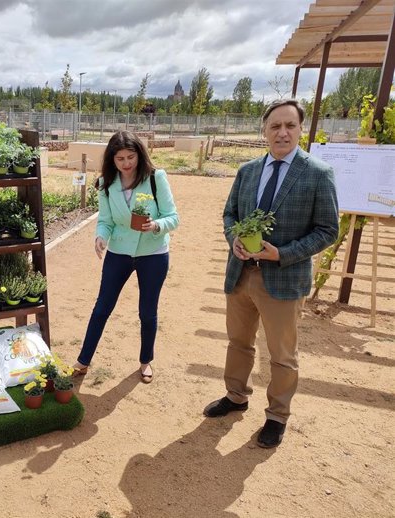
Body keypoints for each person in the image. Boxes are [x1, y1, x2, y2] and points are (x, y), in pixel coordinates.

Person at [203, 99, 339, 448]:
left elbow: (327, 230)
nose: (282, 132)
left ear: (299, 130)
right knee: (238, 342)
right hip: (241, 275)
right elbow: (230, 214)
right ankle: (236, 396)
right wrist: (234, 238)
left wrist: (283, 254)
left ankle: (277, 415)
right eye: (275, 126)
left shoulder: (317, 173)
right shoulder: (248, 171)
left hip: (284, 279)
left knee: (281, 354)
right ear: (264, 130)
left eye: (290, 126)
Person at [74, 130, 179, 383]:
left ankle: (145, 361)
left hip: (153, 253)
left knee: (147, 311)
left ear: (139, 155)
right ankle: (83, 360)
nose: (126, 164)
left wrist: (156, 225)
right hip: (119, 252)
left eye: (130, 157)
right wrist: (100, 236)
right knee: (102, 307)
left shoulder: (156, 178)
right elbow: (106, 220)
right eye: (119, 159)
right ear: (112, 160)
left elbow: (173, 217)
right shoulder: (106, 185)